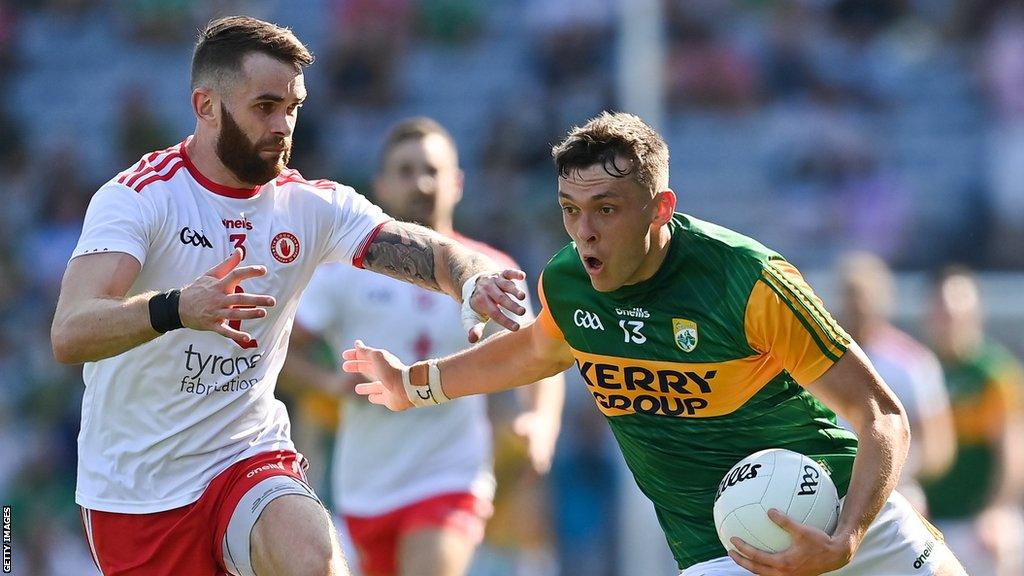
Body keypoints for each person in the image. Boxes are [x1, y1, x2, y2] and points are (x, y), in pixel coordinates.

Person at [343, 112, 968, 576]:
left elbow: (882, 413)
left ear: (660, 208)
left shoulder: (746, 280)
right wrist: (413, 384)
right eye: (569, 209)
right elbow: (536, 351)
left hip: (843, 517)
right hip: (720, 551)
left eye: (607, 210)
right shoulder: (568, 282)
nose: (583, 234)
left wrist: (848, 538)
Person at [50, 16, 527, 576]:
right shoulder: (138, 198)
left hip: (246, 457)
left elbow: (429, 250)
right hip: (135, 493)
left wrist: (473, 277)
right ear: (206, 106)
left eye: (293, 108)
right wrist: (177, 308)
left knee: (314, 558)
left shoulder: (309, 207)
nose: (283, 125)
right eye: (265, 106)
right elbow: (71, 331)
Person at [281, 117, 565, 576]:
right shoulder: (343, 273)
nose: (422, 182)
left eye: (432, 170)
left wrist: (541, 422)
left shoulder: (490, 272)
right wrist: (328, 383)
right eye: (406, 170)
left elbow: (538, 351)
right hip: (363, 487)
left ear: (457, 183)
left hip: (452, 477)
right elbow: (278, 356)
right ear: (381, 185)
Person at [836, 252, 955, 514]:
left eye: (864, 294)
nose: (857, 305)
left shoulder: (912, 362)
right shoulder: (821, 360)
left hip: (896, 495)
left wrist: (885, 471)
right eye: (850, 294)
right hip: (832, 492)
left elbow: (938, 446)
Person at [923, 267, 1024, 576]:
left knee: (1001, 543)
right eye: (942, 311)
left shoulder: (992, 373)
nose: (949, 320)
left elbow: (1012, 450)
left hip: (975, 521)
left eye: (956, 312)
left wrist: (996, 511)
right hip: (929, 519)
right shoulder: (920, 367)